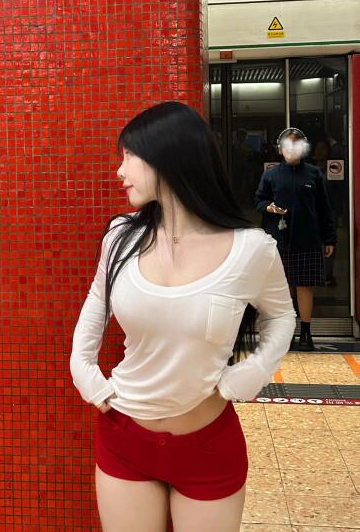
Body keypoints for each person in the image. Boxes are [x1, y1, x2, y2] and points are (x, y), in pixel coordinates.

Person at [70, 102, 296, 532]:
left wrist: (252, 373)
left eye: (129, 156)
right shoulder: (121, 236)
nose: (120, 171)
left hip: (208, 446)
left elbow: (281, 317)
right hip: (124, 439)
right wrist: (83, 370)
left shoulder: (251, 248)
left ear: (167, 157)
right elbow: (96, 302)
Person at [254, 127, 336, 351]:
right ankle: (285, 333)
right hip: (278, 240)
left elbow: (325, 208)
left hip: (308, 238)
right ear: (280, 149)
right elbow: (259, 200)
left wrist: (330, 239)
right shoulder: (270, 175)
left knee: (305, 287)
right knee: (282, 289)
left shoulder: (314, 174)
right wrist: (269, 207)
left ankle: (306, 334)